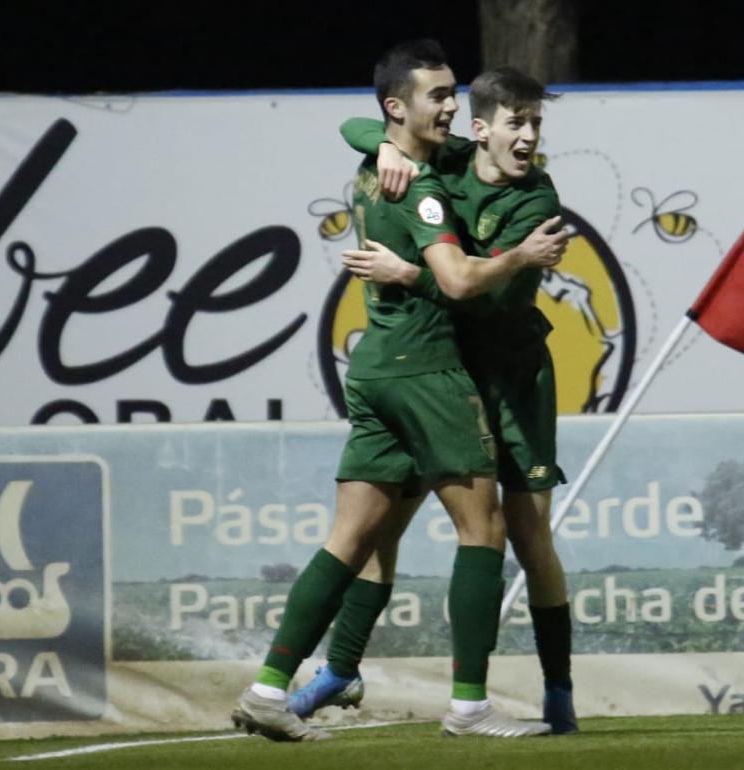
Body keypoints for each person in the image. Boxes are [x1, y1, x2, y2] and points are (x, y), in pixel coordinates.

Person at [230, 40, 568, 742]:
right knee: (485, 530)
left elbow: (361, 132)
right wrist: (520, 256)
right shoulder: (420, 184)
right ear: (398, 108)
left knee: (352, 539)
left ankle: (269, 688)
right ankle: (469, 707)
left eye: (454, 95)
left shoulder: (382, 167)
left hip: (377, 368)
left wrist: (386, 146)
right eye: (438, 97)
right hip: (427, 369)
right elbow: (457, 281)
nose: (450, 104)